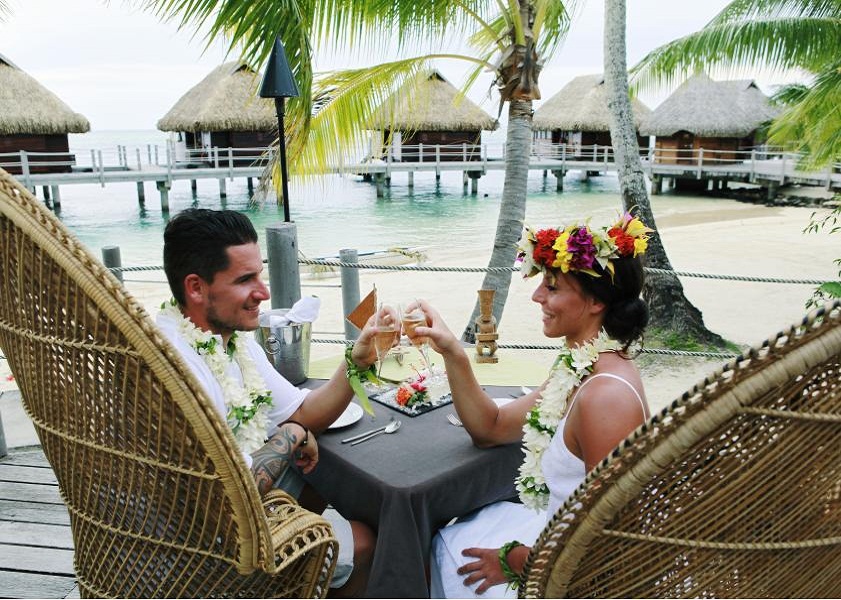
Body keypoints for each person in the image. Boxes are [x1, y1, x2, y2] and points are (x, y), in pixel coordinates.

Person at [158, 208, 396, 597]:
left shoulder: (227, 339)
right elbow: (228, 494)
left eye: (260, 274)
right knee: (370, 539)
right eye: (246, 279)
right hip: (201, 546)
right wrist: (290, 434)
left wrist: (357, 360)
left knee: (333, 481)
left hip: (228, 507)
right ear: (196, 288)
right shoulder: (178, 365)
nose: (265, 292)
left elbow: (304, 412)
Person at [416, 213, 653, 598]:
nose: (537, 296)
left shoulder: (605, 397)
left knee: (441, 551)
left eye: (553, 287)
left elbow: (611, 540)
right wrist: (452, 352)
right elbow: (491, 427)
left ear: (595, 302)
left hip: (570, 575)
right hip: (553, 535)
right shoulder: (580, 368)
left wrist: (513, 560)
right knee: (447, 533)